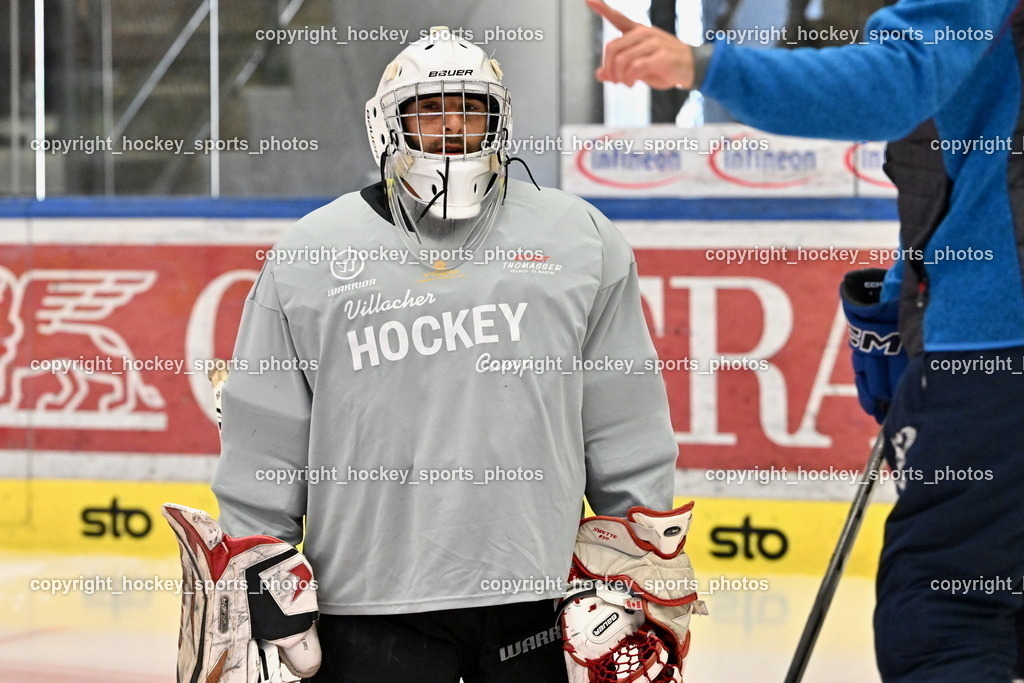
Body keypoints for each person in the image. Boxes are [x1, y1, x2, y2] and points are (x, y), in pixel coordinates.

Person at [211, 26, 680, 682]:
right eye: (429, 110)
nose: (453, 128)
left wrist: (639, 567)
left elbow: (624, 419)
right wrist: (261, 560)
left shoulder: (581, 240)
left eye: (471, 109)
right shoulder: (310, 254)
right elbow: (265, 428)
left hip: (538, 601)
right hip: (368, 603)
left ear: (501, 122)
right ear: (386, 125)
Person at [585, 0, 1024, 680]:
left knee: (946, 615)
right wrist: (912, 300)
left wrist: (702, 64)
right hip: (979, 335)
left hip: (996, 350)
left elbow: (895, 81)